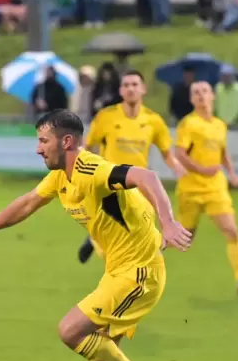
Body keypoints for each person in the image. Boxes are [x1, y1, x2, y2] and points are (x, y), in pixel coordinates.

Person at [0, 109, 191, 361]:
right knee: (107, 351)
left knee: (71, 331)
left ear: (66, 141)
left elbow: (146, 176)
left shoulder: (91, 169)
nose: (38, 148)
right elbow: (27, 203)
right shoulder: (60, 176)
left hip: (139, 274)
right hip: (119, 270)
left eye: (43, 140)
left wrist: (169, 222)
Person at [78, 70, 185, 263]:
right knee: (112, 248)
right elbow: (87, 145)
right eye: (126, 85)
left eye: (135, 85)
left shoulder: (153, 121)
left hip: (139, 187)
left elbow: (167, 153)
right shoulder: (106, 116)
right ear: (120, 90)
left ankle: (135, 271)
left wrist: (177, 167)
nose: (130, 89)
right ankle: (97, 243)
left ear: (143, 89)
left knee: (142, 236)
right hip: (109, 186)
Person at [174, 82, 238, 296]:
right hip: (191, 189)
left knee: (232, 231)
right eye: (195, 93)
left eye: (204, 92)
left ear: (212, 96)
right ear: (191, 99)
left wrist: (231, 173)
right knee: (183, 239)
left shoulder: (219, 124)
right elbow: (180, 153)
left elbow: (222, 151)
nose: (200, 96)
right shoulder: (188, 124)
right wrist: (201, 169)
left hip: (215, 188)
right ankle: (146, 253)